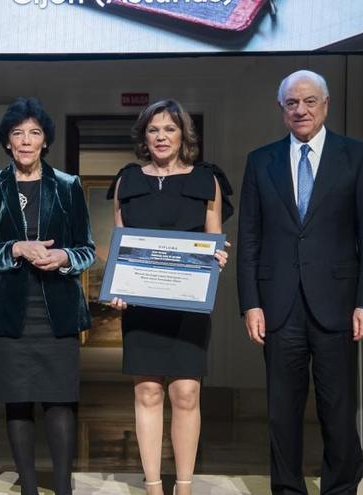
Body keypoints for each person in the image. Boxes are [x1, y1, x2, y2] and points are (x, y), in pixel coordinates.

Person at [237, 70, 363, 495]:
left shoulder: (357, 156)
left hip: (338, 303)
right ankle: (286, 488)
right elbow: (249, 238)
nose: (300, 110)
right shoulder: (259, 160)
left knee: (337, 408)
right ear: (281, 109)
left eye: (309, 101)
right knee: (282, 411)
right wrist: (250, 303)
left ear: (326, 104)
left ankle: (339, 488)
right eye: (291, 103)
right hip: (277, 305)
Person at [106, 99, 232, 495]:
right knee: (147, 391)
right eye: (154, 130)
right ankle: (153, 486)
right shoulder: (127, 180)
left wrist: (218, 257)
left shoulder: (205, 179)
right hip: (141, 306)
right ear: (144, 136)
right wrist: (117, 287)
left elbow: (214, 238)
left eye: (170, 129)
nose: (161, 137)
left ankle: (184, 485)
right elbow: (119, 243)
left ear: (184, 136)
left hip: (187, 302)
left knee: (186, 391)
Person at [0, 97, 96, 495]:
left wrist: (62, 257)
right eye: (17, 134)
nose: (26, 141)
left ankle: (62, 487)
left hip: (56, 308)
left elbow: (87, 250)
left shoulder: (69, 186)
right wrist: (15, 249)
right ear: (7, 142)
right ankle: (27, 487)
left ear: (45, 141)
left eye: (34, 133)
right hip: (7, 311)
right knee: (17, 401)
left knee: (60, 401)